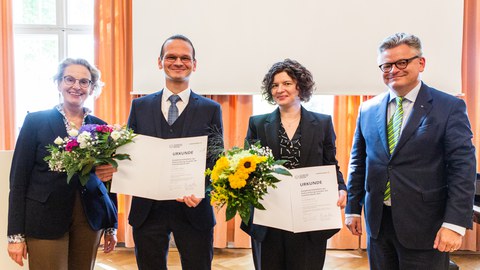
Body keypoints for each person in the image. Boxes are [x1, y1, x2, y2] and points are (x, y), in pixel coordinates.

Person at [345, 33, 477, 270]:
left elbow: (462, 167)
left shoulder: (449, 107)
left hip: (427, 226)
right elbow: (359, 162)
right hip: (378, 224)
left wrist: (454, 224)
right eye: (386, 65)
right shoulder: (367, 109)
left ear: (421, 63)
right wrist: (353, 208)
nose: (393, 70)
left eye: (402, 62)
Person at [7, 58, 118, 269]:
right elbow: (18, 181)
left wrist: (111, 225)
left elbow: (108, 179)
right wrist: (15, 235)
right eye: (69, 79)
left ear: (92, 88)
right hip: (44, 218)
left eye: (84, 82)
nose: (76, 86)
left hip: (89, 218)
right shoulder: (35, 122)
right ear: (58, 83)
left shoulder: (101, 127)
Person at [127, 34, 224, 270]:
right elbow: (130, 154)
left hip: (193, 207)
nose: (178, 62)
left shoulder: (211, 109)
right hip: (148, 209)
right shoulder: (139, 107)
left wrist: (204, 190)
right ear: (160, 61)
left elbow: (216, 159)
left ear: (194, 64)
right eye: (171, 57)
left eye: (185, 57)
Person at [241, 59, 347, 270]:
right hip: (269, 219)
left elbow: (330, 164)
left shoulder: (323, 122)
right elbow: (248, 168)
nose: (280, 89)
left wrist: (341, 188)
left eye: (287, 83)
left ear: (300, 86)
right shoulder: (257, 123)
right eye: (274, 85)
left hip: (309, 220)